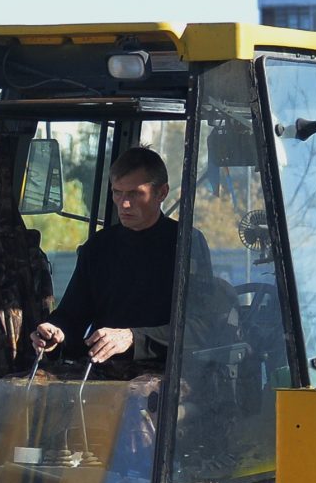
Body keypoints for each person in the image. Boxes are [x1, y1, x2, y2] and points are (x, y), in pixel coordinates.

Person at [29, 146, 207, 379]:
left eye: (134, 194)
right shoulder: (99, 246)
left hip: (164, 374)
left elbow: (201, 327)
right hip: (100, 371)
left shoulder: (186, 245)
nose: (123, 204)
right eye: (117, 193)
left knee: (134, 403)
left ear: (161, 193)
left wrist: (133, 338)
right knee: (19, 395)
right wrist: (55, 332)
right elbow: (73, 313)